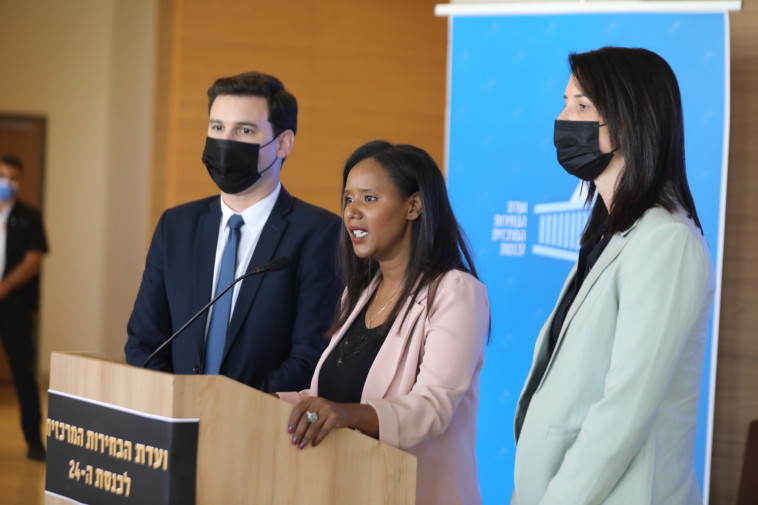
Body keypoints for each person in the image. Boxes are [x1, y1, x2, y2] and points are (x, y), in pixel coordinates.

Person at [511, 47, 715, 505]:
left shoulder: (667, 241)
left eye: (582, 106)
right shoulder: (609, 234)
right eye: (565, 102)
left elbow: (624, 410)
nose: (564, 118)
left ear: (632, 120)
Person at [277, 141, 490, 505]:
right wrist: (263, 401)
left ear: (414, 205)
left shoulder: (456, 291)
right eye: (347, 199)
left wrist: (346, 415)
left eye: (369, 199)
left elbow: (432, 407)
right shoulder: (357, 295)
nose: (352, 212)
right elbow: (326, 400)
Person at [125, 72, 342, 393]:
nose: (226, 142)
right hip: (174, 422)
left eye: (244, 130)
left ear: (282, 143)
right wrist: (174, 405)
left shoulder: (320, 233)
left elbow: (310, 356)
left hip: (261, 426)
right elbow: (144, 341)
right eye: (217, 128)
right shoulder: (177, 225)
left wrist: (233, 410)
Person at [0, 155, 48, 461]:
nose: (7, 183)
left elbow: (33, 260)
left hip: (14, 306)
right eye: (3, 175)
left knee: (23, 372)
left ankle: (34, 440)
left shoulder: (29, 216)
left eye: (13, 177)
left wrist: (4, 287)